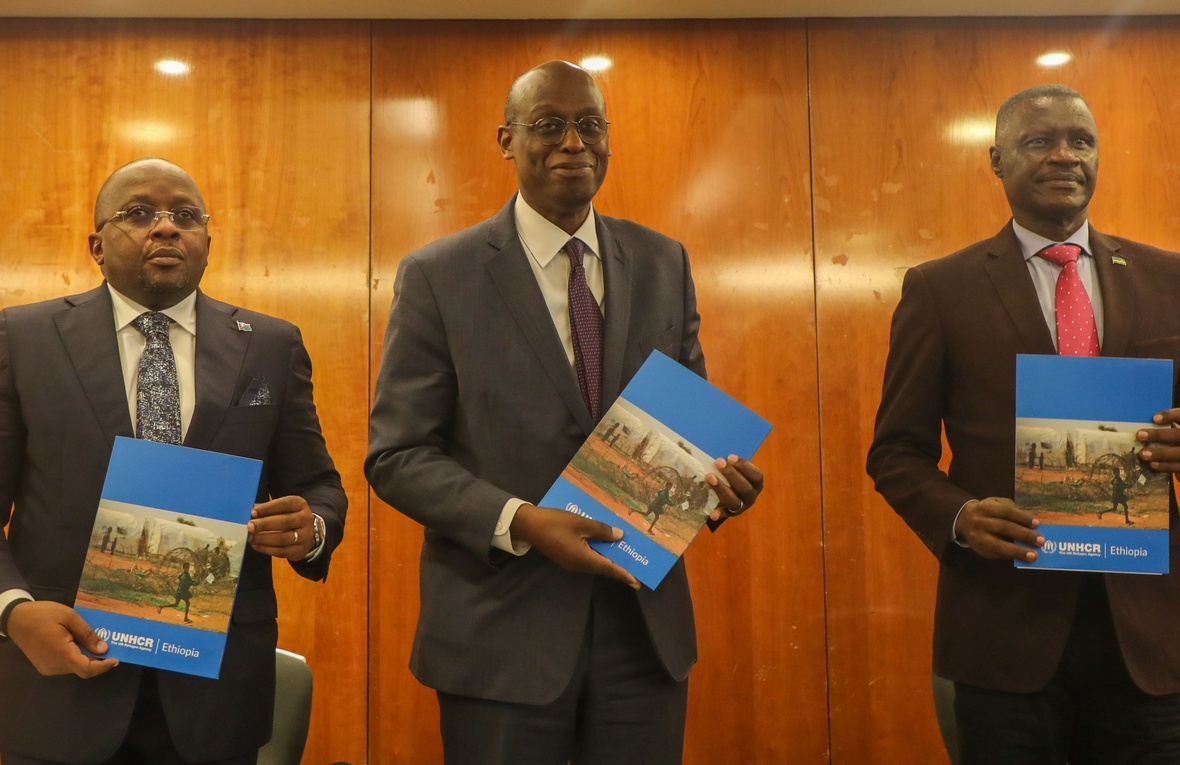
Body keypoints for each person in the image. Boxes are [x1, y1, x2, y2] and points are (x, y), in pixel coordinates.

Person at [365, 60, 764, 765]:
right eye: (548, 126)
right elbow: (396, 456)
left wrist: (720, 485)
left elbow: (687, 428)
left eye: (590, 125)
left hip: (642, 637)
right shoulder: (438, 275)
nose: (573, 143)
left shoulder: (663, 260)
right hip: (500, 640)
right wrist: (521, 520)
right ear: (506, 140)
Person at [867, 84, 1180, 763]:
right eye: (1040, 141)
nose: (1065, 155)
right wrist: (960, 517)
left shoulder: (1169, 279)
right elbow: (896, 451)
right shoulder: (939, 288)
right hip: (1003, 630)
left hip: (1148, 636)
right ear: (997, 160)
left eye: (1081, 140)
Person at [0, 158, 347, 765]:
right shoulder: (21, 339)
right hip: (58, 684)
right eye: (138, 214)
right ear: (96, 244)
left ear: (207, 239)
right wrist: (13, 611)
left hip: (214, 692)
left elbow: (317, 485)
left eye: (185, 216)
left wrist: (310, 528)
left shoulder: (270, 345)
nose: (165, 229)